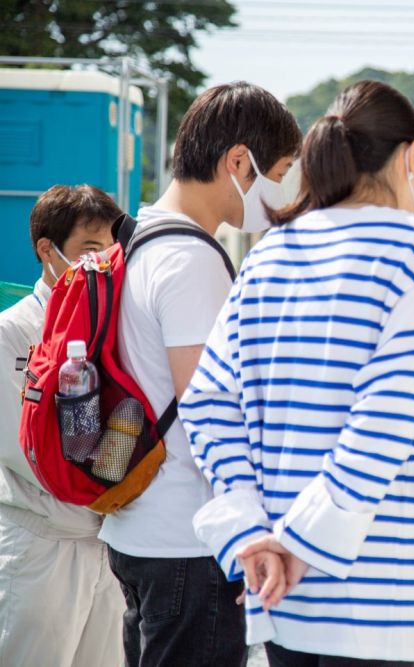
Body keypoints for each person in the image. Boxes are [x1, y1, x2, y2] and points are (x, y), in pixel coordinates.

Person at [178, 80, 414, 667]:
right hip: (370, 590)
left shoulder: (270, 252)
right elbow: (389, 419)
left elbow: (205, 401)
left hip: (276, 587)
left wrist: (253, 531)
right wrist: (301, 542)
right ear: (411, 157)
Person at [98, 81, 302, 666]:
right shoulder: (192, 261)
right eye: (280, 171)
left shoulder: (141, 237)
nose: (281, 191)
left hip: (140, 526)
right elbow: (211, 407)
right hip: (188, 540)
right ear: (239, 161)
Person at [0, 185, 122, 666]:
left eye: (110, 253)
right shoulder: (13, 332)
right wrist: (112, 484)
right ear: (46, 250)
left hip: (108, 544)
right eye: (89, 251)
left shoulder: (110, 324)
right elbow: (20, 445)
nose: (102, 266)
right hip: (41, 545)